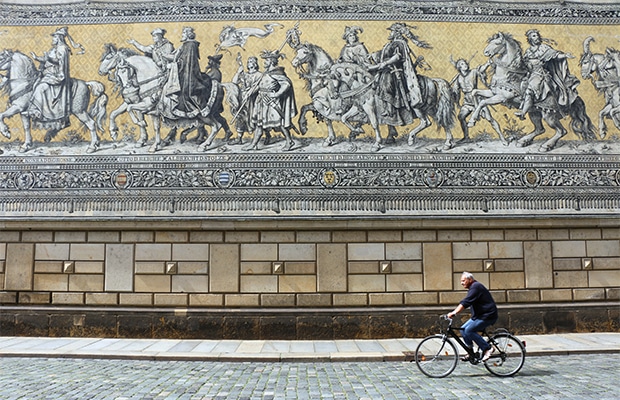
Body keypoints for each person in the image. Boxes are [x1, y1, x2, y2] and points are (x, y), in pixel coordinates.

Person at [368, 23, 431, 141]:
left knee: (386, 86)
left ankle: (390, 110)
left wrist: (385, 63)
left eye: (391, 31)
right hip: (387, 70)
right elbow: (383, 54)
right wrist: (373, 55)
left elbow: (397, 57)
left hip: (395, 72)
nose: (390, 33)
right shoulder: (390, 44)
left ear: (396, 33)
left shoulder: (399, 44)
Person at [515, 29, 579, 119]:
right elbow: (525, 64)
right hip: (531, 74)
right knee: (522, 85)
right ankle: (525, 104)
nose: (536, 37)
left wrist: (564, 55)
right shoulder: (528, 51)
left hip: (541, 74)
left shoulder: (544, 48)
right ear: (529, 39)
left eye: (537, 35)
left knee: (531, 88)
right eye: (534, 36)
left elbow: (555, 55)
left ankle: (523, 112)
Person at [159, 26, 215, 126]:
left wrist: (172, 65)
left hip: (189, 76)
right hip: (185, 73)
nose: (182, 35)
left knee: (184, 94)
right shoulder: (186, 45)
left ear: (188, 35)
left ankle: (196, 112)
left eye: (183, 34)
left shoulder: (189, 45)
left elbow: (185, 62)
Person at [245, 49, 298, 151]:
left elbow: (287, 84)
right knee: (259, 124)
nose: (264, 62)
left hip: (271, 102)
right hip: (261, 101)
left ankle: (289, 141)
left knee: (280, 123)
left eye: (266, 60)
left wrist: (276, 94)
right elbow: (260, 86)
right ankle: (253, 144)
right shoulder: (266, 73)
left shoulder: (277, 73)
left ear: (272, 62)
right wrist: (250, 92)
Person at [27, 27, 73, 131]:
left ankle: (37, 111)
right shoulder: (54, 48)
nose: (53, 39)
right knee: (35, 84)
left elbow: (60, 62)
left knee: (40, 88)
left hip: (56, 75)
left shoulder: (63, 48)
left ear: (59, 38)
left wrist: (48, 58)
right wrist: (37, 58)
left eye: (55, 37)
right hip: (48, 74)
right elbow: (46, 59)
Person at [451, 57, 505, 143]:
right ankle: (466, 137)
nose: (465, 64)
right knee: (461, 117)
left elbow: (482, 69)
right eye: (462, 64)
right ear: (459, 68)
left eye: (465, 63)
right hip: (467, 102)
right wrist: (455, 99)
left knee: (490, 119)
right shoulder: (458, 78)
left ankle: (502, 138)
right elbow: (456, 91)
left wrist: (487, 63)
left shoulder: (473, 72)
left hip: (477, 100)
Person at [447, 272, 498, 362]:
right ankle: (470, 352)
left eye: (463, 281)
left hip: (488, 316)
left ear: (470, 279)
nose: (461, 283)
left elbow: (466, 302)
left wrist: (454, 312)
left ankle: (488, 348)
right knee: (463, 329)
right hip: (479, 316)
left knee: (469, 330)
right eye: (461, 281)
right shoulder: (473, 287)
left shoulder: (476, 287)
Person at [231, 54, 262, 145]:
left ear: (256, 64)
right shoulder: (244, 74)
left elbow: (258, 86)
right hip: (243, 99)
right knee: (240, 117)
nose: (249, 63)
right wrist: (238, 72)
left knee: (254, 118)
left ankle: (257, 140)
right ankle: (239, 138)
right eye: (248, 62)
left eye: (251, 62)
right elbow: (234, 82)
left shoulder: (259, 75)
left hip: (253, 100)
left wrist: (250, 92)